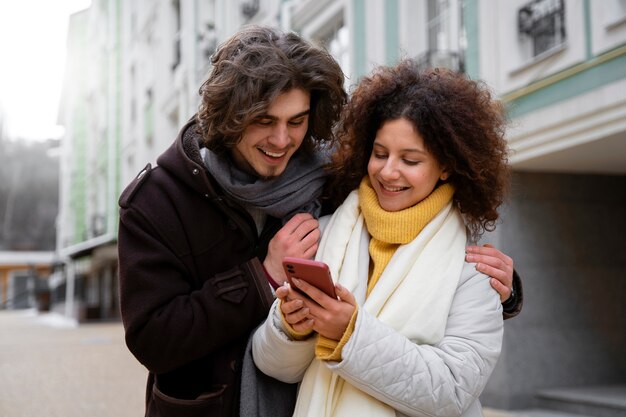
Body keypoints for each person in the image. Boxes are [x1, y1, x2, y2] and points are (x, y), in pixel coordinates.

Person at [118, 25, 519, 417]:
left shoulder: (333, 176)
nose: (281, 140)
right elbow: (153, 340)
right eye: (263, 120)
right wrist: (263, 276)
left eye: (296, 121)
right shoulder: (157, 200)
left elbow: (413, 241)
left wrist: (502, 287)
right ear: (230, 115)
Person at [252, 60, 511, 417]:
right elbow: (272, 366)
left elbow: (452, 391)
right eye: (380, 153)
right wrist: (289, 328)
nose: (388, 172)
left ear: (447, 165)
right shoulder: (323, 233)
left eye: (410, 160)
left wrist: (350, 333)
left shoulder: (475, 268)